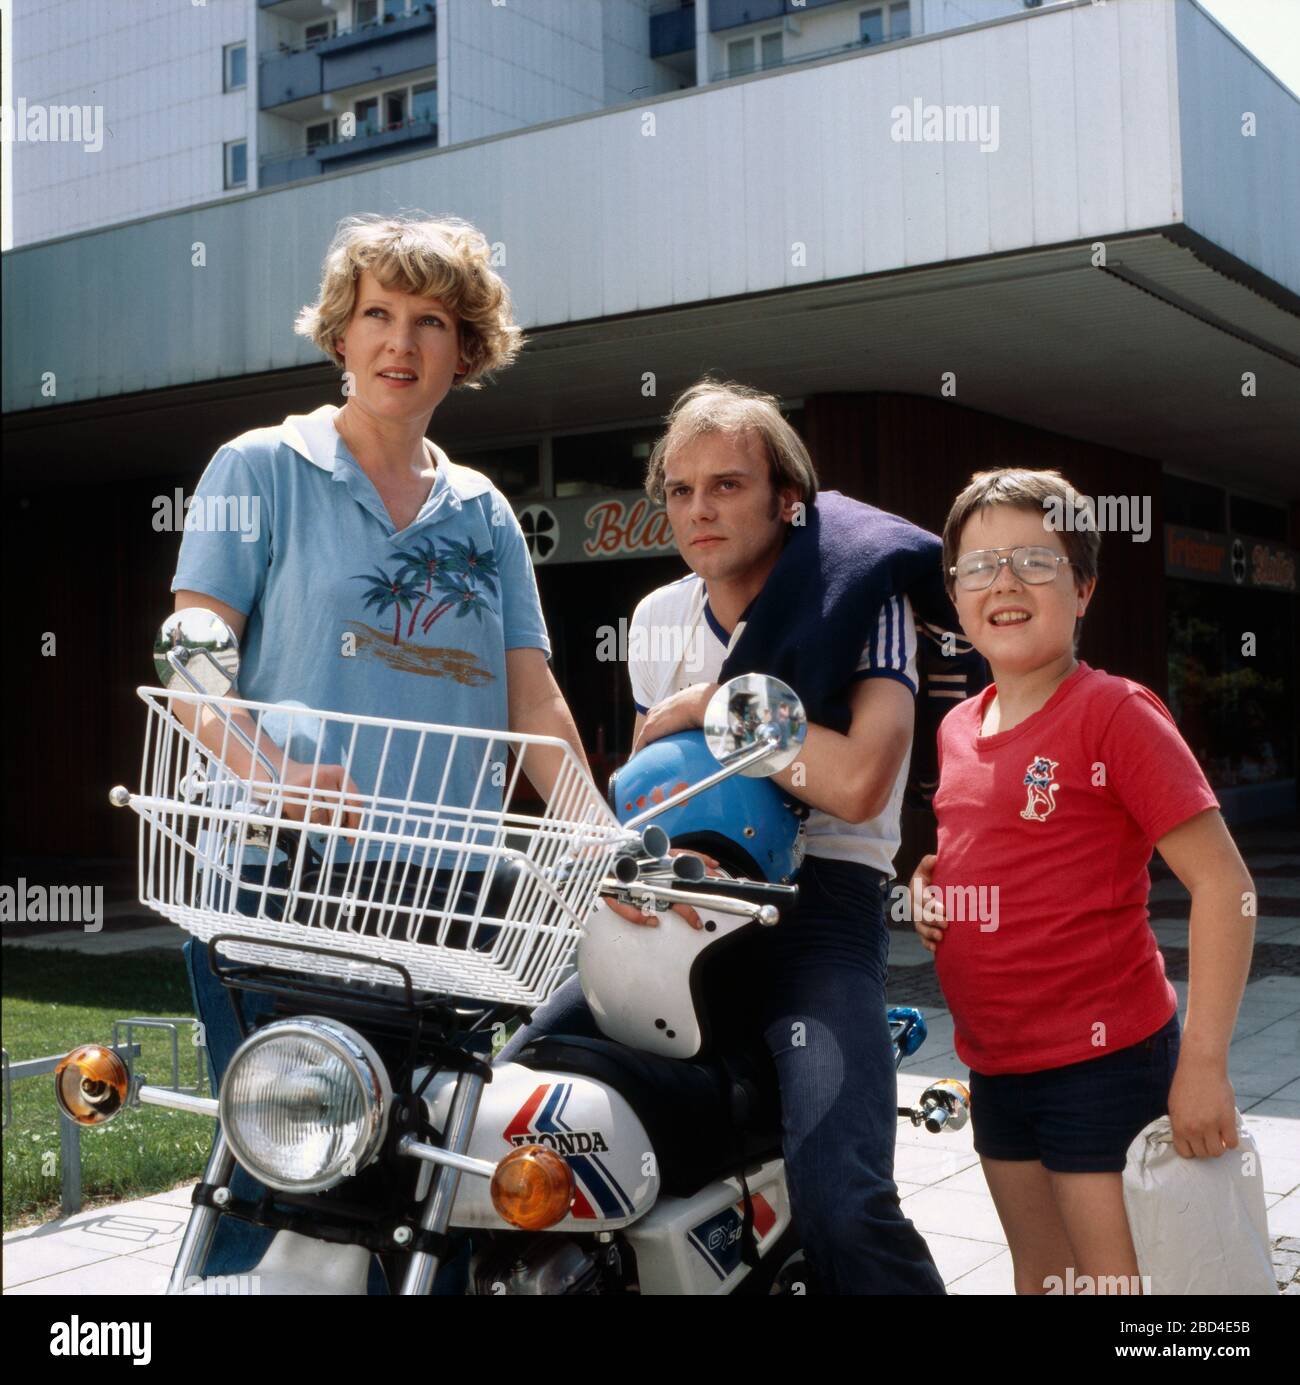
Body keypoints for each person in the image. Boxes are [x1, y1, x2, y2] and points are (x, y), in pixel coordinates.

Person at [169, 211, 589, 1280]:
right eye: (377, 316)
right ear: (342, 337)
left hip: (445, 897)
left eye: (431, 321)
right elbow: (193, 652)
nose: (400, 342)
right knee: (285, 1174)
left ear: (466, 348)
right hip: (279, 881)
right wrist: (265, 768)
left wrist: (598, 837)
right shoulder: (262, 466)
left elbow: (529, 693)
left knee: (431, 1189)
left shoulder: (485, 511)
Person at [501, 379, 961, 1294]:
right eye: (680, 489)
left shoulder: (862, 601)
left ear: (788, 499)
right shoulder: (658, 617)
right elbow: (664, 792)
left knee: (845, 1197)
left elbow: (861, 779)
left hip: (820, 905)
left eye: (728, 485)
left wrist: (718, 703)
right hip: (676, 894)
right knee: (503, 1101)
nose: (699, 509)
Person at [909, 467, 1256, 1295]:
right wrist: (935, 885)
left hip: (1105, 1065)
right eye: (977, 566)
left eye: (1035, 560)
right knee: (1044, 1277)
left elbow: (1225, 885)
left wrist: (1203, 1063)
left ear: (1085, 586)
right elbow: (990, 841)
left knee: (1124, 1288)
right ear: (955, 601)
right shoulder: (958, 723)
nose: (1004, 581)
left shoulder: (1116, 712)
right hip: (996, 1066)